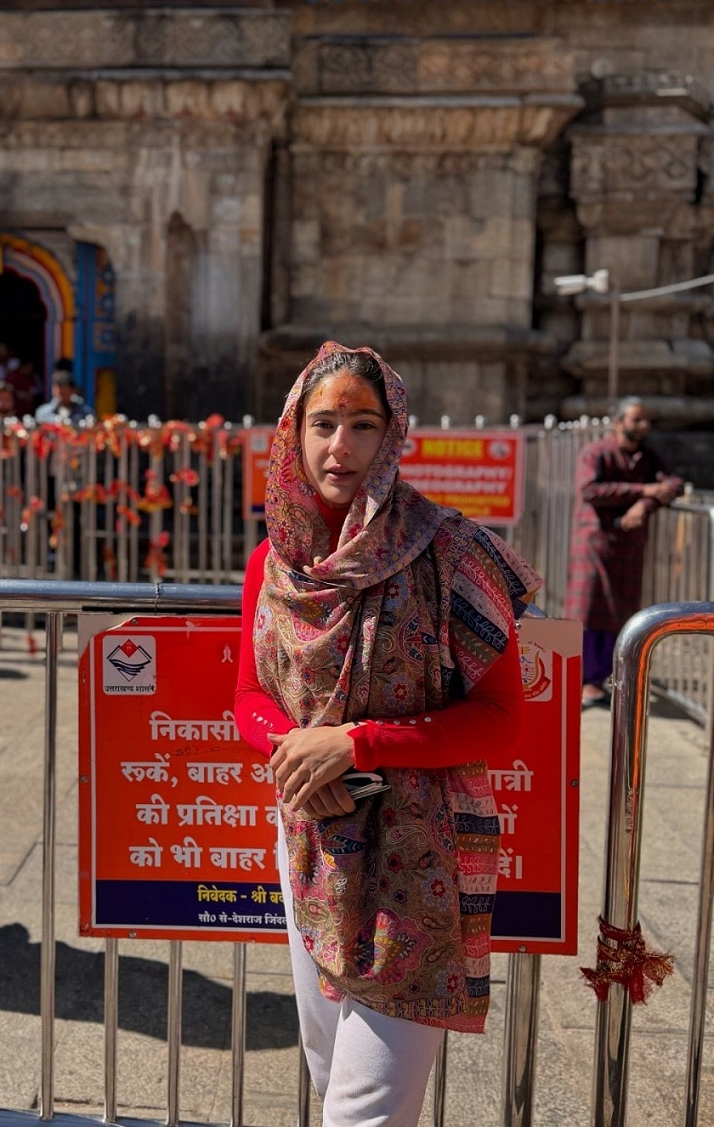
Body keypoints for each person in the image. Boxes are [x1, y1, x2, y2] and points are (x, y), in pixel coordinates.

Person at [234, 342, 540, 1126]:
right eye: (325, 423)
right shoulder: (275, 563)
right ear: (294, 432)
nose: (341, 446)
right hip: (311, 842)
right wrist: (294, 750)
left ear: (393, 433)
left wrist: (357, 742)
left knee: (360, 1112)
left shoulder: (449, 552)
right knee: (332, 1076)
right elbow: (248, 695)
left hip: (420, 858)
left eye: (363, 425)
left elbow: (502, 719)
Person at [566, 396, 684, 706]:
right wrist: (643, 490)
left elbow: (674, 484)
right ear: (618, 423)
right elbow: (590, 490)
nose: (643, 426)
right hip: (595, 543)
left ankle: (604, 679)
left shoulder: (648, 457)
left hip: (629, 548)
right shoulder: (597, 452)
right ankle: (585, 681)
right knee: (589, 613)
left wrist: (643, 506)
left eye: (646, 420)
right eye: (636, 420)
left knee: (622, 613)